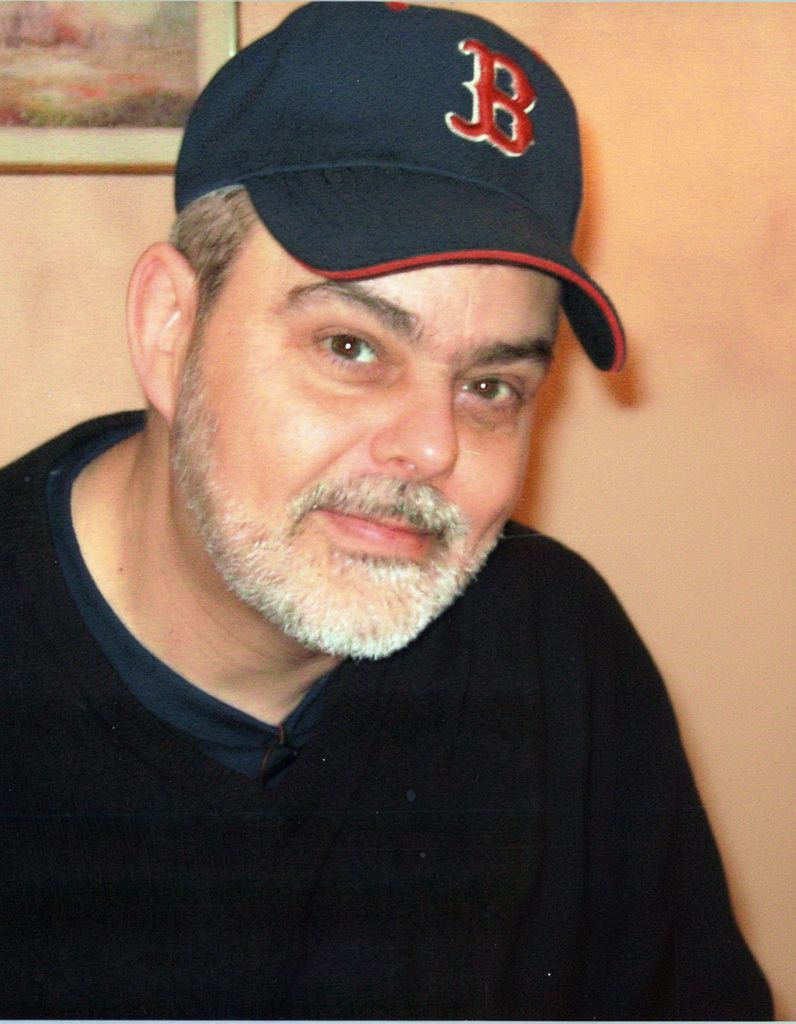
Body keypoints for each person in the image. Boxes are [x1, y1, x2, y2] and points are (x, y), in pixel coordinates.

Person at [0, 2, 772, 1019]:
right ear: (168, 330)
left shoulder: (554, 645)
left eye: (490, 386)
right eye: (352, 348)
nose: (432, 448)